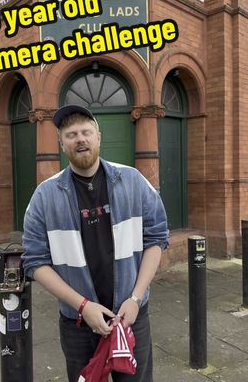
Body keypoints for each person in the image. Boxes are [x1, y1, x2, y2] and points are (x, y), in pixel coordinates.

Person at [22, 104, 169, 382]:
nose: (80, 139)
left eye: (86, 132)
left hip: (131, 315)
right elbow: (35, 261)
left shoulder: (134, 181)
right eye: (71, 134)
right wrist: (83, 306)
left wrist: (136, 298)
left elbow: (157, 238)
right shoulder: (44, 196)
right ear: (62, 143)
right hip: (78, 324)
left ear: (98, 137)